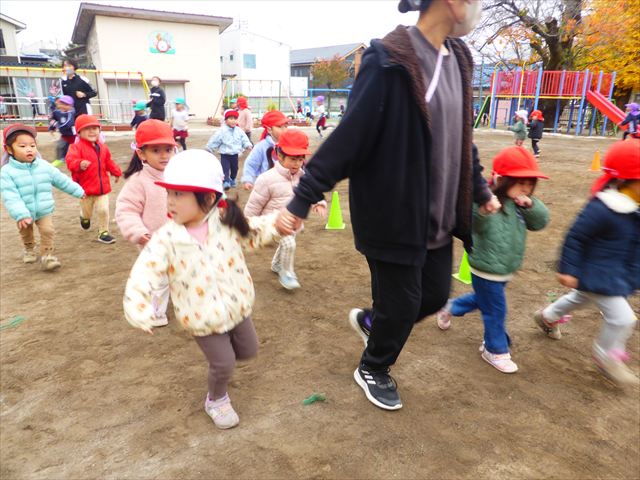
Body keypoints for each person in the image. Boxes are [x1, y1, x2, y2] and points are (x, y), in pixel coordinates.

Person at [276, 0, 499, 410]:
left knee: (433, 295)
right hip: (392, 214)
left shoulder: (459, 59)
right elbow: (350, 137)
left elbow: (461, 137)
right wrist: (304, 197)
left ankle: (372, 322)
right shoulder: (389, 61)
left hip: (439, 214)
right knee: (402, 303)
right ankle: (373, 366)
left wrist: (481, 190)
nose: (477, 7)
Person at [123, 149, 287, 429]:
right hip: (201, 315)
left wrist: (279, 223)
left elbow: (255, 231)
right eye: (169, 193)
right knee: (224, 363)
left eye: (179, 194)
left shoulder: (225, 222)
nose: (170, 201)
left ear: (208, 198)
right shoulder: (166, 238)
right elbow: (143, 272)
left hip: (236, 304)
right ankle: (216, 399)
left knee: (248, 350)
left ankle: (223, 366)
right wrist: (139, 308)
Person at [533, 139, 640, 386]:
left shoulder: (633, 207)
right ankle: (606, 357)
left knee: (580, 298)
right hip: (599, 274)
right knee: (623, 319)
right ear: (625, 180)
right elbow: (576, 237)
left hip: (614, 274)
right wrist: (568, 269)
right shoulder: (603, 207)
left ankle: (547, 316)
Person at [436, 147, 549, 373]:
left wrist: (531, 205)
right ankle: (495, 349)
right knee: (496, 310)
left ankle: (450, 307)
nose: (526, 188)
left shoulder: (521, 203)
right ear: (500, 180)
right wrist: (484, 209)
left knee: (484, 300)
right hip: (485, 268)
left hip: (506, 267)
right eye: (520, 182)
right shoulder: (485, 200)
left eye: (530, 184)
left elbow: (540, 222)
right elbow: (474, 224)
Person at [244, 130, 326, 290]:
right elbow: (254, 204)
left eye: (300, 159)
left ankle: (276, 264)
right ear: (279, 156)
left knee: (287, 243)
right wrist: (246, 223)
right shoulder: (266, 179)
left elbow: (312, 192)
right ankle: (287, 273)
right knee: (289, 244)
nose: (297, 163)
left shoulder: (303, 177)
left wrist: (319, 203)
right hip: (272, 224)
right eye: (293, 159)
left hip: (293, 222)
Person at [116, 120, 177, 327]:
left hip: (182, 240)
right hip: (153, 242)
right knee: (159, 280)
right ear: (142, 154)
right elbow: (126, 210)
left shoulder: (179, 175)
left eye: (168, 149)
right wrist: (138, 232)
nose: (164, 155)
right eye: (156, 150)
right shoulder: (138, 181)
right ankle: (155, 312)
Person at [0, 124, 84, 271]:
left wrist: (79, 191)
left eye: (32, 145)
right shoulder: (7, 172)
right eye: (22, 146)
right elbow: (11, 196)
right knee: (26, 232)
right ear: (9, 149)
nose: (29, 149)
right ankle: (29, 248)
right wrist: (21, 214)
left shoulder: (44, 166)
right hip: (23, 212)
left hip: (44, 209)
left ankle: (47, 256)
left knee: (48, 231)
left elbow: (61, 180)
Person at [66, 114, 122, 244]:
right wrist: (79, 163)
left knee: (103, 209)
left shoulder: (102, 147)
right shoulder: (75, 147)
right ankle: (84, 217)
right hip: (85, 190)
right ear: (79, 132)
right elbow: (70, 161)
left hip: (102, 188)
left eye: (95, 128)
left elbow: (108, 162)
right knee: (87, 213)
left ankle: (103, 232)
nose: (92, 131)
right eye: (87, 129)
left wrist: (116, 172)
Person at [241, 110, 289, 190]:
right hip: (266, 186)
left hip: (285, 185)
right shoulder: (261, 147)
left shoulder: (289, 145)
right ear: (269, 130)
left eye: (286, 126)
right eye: (280, 127)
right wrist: (248, 179)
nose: (284, 129)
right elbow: (251, 164)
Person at [205, 109, 252, 190]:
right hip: (225, 154)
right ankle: (226, 181)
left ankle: (232, 179)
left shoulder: (239, 131)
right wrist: (209, 148)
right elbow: (215, 139)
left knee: (235, 169)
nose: (233, 121)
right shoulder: (222, 131)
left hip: (235, 154)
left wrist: (247, 145)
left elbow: (244, 139)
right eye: (231, 119)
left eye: (235, 119)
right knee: (225, 168)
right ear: (226, 120)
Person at [48, 95, 76, 167]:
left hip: (73, 135)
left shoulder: (71, 113)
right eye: (61, 104)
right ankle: (59, 159)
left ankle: (75, 158)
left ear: (71, 106)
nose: (63, 106)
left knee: (75, 148)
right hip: (64, 135)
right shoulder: (57, 112)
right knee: (60, 146)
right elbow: (52, 119)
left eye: (66, 105)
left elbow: (67, 124)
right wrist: (52, 128)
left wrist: (56, 125)